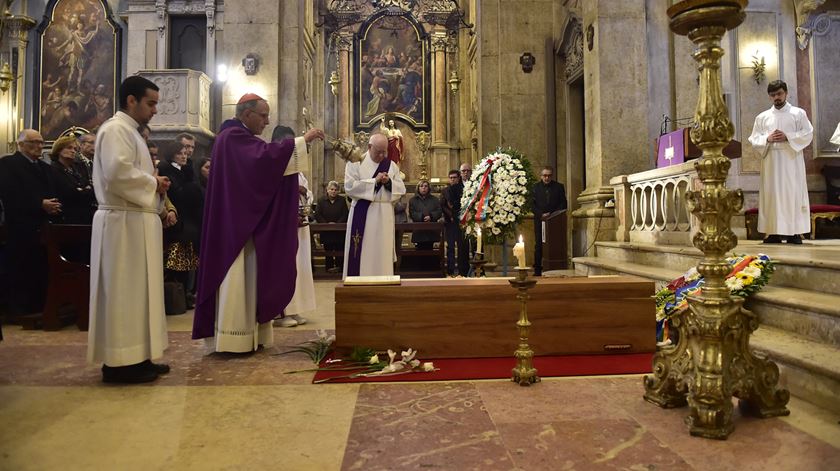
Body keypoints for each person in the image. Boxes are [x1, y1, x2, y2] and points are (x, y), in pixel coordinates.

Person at [192, 94, 324, 353]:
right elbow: (262, 161)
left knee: (249, 277)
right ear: (245, 113)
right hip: (236, 227)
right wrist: (301, 142)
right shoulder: (231, 138)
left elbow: (261, 167)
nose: (266, 121)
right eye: (263, 115)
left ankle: (251, 335)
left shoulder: (238, 139)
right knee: (237, 277)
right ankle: (234, 338)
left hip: (243, 222)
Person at [87, 76, 173, 383]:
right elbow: (117, 173)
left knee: (138, 294)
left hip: (136, 222)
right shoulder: (114, 130)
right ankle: (119, 364)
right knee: (123, 293)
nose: (154, 111)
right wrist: (153, 182)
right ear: (131, 100)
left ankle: (138, 357)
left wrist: (155, 187)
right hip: (122, 224)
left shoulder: (130, 132)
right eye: (150, 103)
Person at [0, 129, 60, 319]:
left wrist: (53, 205)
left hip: (43, 226)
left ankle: (39, 306)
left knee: (40, 267)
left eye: (41, 142)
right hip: (20, 226)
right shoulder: (8, 164)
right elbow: (10, 193)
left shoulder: (44, 167)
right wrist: (39, 204)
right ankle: (19, 310)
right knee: (21, 268)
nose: (39, 147)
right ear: (20, 144)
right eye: (33, 142)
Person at [748, 80, 814, 245]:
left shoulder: (798, 113)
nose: (776, 97)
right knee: (772, 195)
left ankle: (794, 233)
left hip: (791, 159)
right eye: (773, 95)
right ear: (769, 96)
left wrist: (788, 137)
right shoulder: (762, 117)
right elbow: (754, 138)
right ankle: (773, 233)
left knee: (792, 194)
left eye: (779, 94)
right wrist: (767, 138)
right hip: (771, 161)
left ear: (786, 93)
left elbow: (808, 133)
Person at [343, 133, 406, 278]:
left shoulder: (391, 166)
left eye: (385, 151)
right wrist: (374, 182)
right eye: (379, 151)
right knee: (363, 251)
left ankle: (383, 284)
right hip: (362, 213)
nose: (383, 155)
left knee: (381, 252)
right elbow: (349, 187)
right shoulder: (355, 163)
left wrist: (389, 183)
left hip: (384, 216)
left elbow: (401, 189)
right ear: (369, 147)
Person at [271, 125, 313, 328]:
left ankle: (294, 309)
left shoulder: (296, 170)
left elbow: (308, 193)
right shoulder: (274, 168)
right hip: (284, 226)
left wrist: (304, 192)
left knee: (300, 268)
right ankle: (280, 313)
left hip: (300, 225)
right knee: (285, 268)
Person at [157, 142, 203, 310]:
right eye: (180, 153)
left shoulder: (186, 170)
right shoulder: (167, 169)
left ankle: (185, 295)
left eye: (185, 153)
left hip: (189, 222)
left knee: (187, 263)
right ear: (171, 154)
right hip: (177, 222)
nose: (184, 156)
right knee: (175, 264)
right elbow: (178, 193)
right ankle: (176, 297)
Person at [50, 135, 96, 225]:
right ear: (59, 150)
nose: (73, 151)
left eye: (75, 149)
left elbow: (90, 188)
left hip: (83, 215)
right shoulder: (53, 169)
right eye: (69, 148)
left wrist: (83, 190)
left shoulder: (76, 168)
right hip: (65, 217)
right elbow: (70, 193)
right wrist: (83, 189)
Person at [531, 166, 567, 276]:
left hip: (554, 221)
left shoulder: (559, 187)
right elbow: (532, 205)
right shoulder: (535, 187)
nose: (547, 178)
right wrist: (541, 214)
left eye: (549, 176)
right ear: (541, 176)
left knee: (553, 243)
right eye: (545, 175)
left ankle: (553, 268)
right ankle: (537, 269)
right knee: (539, 245)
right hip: (540, 220)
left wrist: (551, 214)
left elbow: (563, 203)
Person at [314, 180, 349, 273]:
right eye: (331, 189)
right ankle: (328, 269)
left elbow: (345, 214)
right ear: (327, 190)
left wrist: (337, 224)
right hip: (326, 231)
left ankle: (339, 268)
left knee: (339, 249)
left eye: (335, 189)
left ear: (338, 191)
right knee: (328, 250)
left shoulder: (342, 200)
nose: (333, 191)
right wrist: (326, 224)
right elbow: (317, 214)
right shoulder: (321, 201)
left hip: (339, 231)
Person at [441, 169, 469, 276]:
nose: (452, 179)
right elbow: (443, 205)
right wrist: (451, 215)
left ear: (459, 178)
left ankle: (462, 270)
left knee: (462, 246)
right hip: (450, 222)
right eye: (451, 178)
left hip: (461, 221)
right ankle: (450, 270)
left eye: (455, 177)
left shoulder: (464, 188)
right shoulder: (445, 190)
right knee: (450, 246)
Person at [408, 179, 442, 250]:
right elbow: (412, 213)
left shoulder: (435, 199)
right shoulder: (413, 200)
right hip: (419, 230)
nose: (423, 188)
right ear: (418, 188)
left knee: (430, 251)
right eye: (421, 186)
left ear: (429, 188)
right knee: (419, 252)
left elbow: (439, 212)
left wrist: (431, 216)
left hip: (431, 230)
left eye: (426, 186)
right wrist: (422, 217)